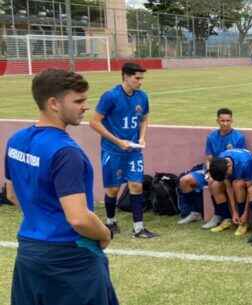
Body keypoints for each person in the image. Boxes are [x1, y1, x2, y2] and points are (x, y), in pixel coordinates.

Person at [6, 69, 118, 305]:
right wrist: (105, 233)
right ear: (54, 104)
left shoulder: (15, 140)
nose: (85, 106)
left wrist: (42, 218)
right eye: (78, 100)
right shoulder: (66, 152)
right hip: (69, 258)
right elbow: (78, 219)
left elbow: (12, 194)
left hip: (29, 252)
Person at [89, 62, 156, 239]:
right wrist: (117, 141)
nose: (140, 82)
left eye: (142, 78)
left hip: (133, 150)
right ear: (126, 76)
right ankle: (110, 222)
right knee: (113, 189)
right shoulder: (110, 96)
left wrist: (142, 137)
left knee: (136, 185)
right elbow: (94, 122)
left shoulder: (142, 97)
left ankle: (138, 228)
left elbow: (144, 119)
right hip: (112, 150)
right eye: (137, 78)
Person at [185, 108, 246, 229]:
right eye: (222, 120)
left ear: (232, 120)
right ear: (217, 120)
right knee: (185, 180)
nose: (225, 123)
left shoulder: (239, 137)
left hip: (227, 173)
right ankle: (196, 212)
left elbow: (238, 159)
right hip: (211, 170)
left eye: (228, 120)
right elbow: (209, 158)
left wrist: (215, 175)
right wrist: (208, 171)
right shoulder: (212, 136)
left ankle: (222, 216)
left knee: (214, 184)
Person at [206, 148, 252, 234]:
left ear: (229, 165)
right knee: (215, 186)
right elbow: (228, 187)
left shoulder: (247, 162)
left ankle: (243, 223)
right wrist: (234, 211)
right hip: (238, 176)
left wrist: (245, 213)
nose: (227, 176)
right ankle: (227, 219)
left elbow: (250, 189)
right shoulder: (222, 159)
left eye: (227, 174)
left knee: (237, 184)